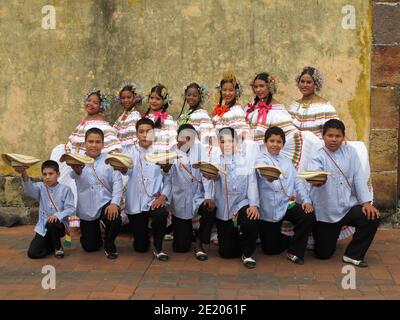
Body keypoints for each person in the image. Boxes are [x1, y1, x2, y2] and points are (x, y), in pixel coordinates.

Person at [309, 119, 380, 267]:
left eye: (338, 136)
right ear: (323, 136)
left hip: (348, 207)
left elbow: (358, 178)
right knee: (323, 255)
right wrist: (318, 181)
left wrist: (366, 203)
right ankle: (320, 239)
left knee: (371, 217)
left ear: (343, 137)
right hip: (326, 212)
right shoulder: (317, 155)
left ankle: (353, 255)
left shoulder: (350, 152)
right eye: (330, 135)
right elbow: (315, 174)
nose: (334, 140)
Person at [256, 127, 316, 264]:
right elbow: (262, 173)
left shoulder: (287, 161)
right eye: (272, 141)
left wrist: (306, 201)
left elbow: (297, 182)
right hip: (268, 209)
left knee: (308, 215)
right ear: (265, 142)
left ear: (283, 144)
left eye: (279, 141)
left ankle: (295, 251)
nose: (275, 144)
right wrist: (268, 177)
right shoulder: (260, 159)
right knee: (270, 250)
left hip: (286, 204)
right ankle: (286, 239)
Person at [203, 127, 260, 268]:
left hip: (242, 202)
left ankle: (248, 254)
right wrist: (212, 181)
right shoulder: (214, 160)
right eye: (223, 142)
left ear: (237, 142)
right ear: (219, 144)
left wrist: (253, 204)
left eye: (230, 141)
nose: (227, 145)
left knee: (250, 218)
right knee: (226, 253)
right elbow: (208, 180)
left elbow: (252, 183)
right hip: (224, 208)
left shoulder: (246, 160)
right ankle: (238, 240)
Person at [120, 118, 172, 261]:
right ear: (136, 134)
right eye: (141, 132)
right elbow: (124, 174)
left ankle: (158, 246)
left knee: (160, 213)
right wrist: (123, 170)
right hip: (136, 201)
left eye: (148, 132)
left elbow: (168, 179)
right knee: (141, 247)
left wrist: (163, 197)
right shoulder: (128, 152)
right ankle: (143, 238)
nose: (144, 135)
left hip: (154, 199)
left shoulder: (161, 153)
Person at [162, 124, 216, 260]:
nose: (186, 140)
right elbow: (167, 178)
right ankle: (186, 235)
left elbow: (206, 174)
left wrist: (208, 196)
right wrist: (166, 170)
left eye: (190, 137)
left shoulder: (200, 150)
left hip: (198, 196)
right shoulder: (171, 152)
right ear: (177, 138)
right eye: (183, 137)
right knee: (180, 248)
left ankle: (199, 244)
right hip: (180, 200)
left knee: (209, 209)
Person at [69, 128, 123, 260]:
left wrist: (114, 203)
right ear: (85, 143)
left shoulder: (110, 161)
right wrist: (77, 170)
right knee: (90, 247)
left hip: (105, 203)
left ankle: (109, 243)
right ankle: (95, 235)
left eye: (98, 142)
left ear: (103, 144)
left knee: (115, 218)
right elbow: (73, 175)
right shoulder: (77, 160)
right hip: (87, 207)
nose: (94, 145)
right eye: (90, 141)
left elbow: (117, 182)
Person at [15, 160, 75, 259]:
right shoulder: (40, 187)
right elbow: (30, 191)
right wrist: (23, 173)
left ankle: (58, 247)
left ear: (58, 174)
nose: (47, 177)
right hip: (43, 226)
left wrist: (57, 216)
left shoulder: (65, 189)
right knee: (33, 253)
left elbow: (71, 209)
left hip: (59, 226)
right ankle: (51, 246)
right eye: (45, 174)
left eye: (51, 174)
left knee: (51, 223)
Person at [143, 84, 177, 152]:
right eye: (151, 98)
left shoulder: (168, 121)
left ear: (164, 101)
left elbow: (171, 142)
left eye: (158, 99)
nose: (153, 101)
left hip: (161, 156)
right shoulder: (145, 118)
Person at [113, 82, 143, 147]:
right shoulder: (122, 116)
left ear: (135, 98)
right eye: (123, 98)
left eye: (129, 97)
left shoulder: (136, 116)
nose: (126, 100)